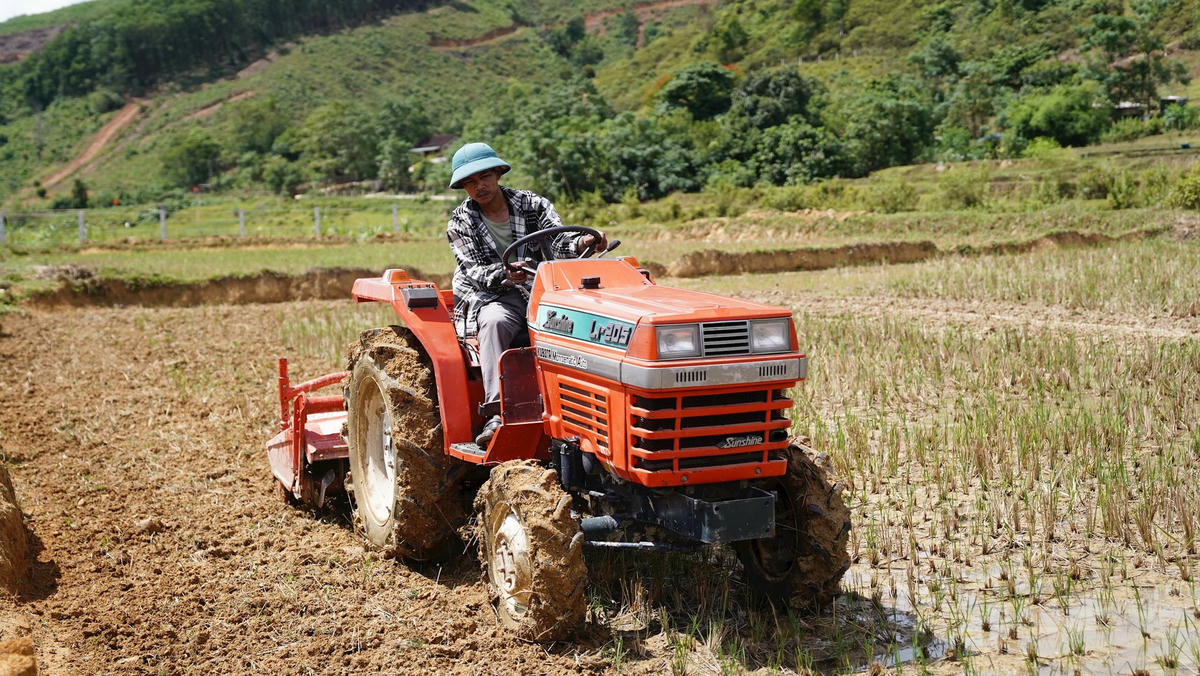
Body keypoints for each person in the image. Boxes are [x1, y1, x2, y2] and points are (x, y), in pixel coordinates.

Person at [446, 142, 606, 445]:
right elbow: (474, 272)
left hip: (538, 288)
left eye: (483, 177)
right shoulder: (460, 222)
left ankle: (578, 404)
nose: (479, 186)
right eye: (470, 182)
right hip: (492, 294)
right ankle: (497, 411)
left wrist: (584, 243)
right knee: (494, 322)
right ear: (464, 187)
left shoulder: (533, 204)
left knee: (579, 319)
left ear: (497, 173)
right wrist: (506, 274)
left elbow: (560, 243)